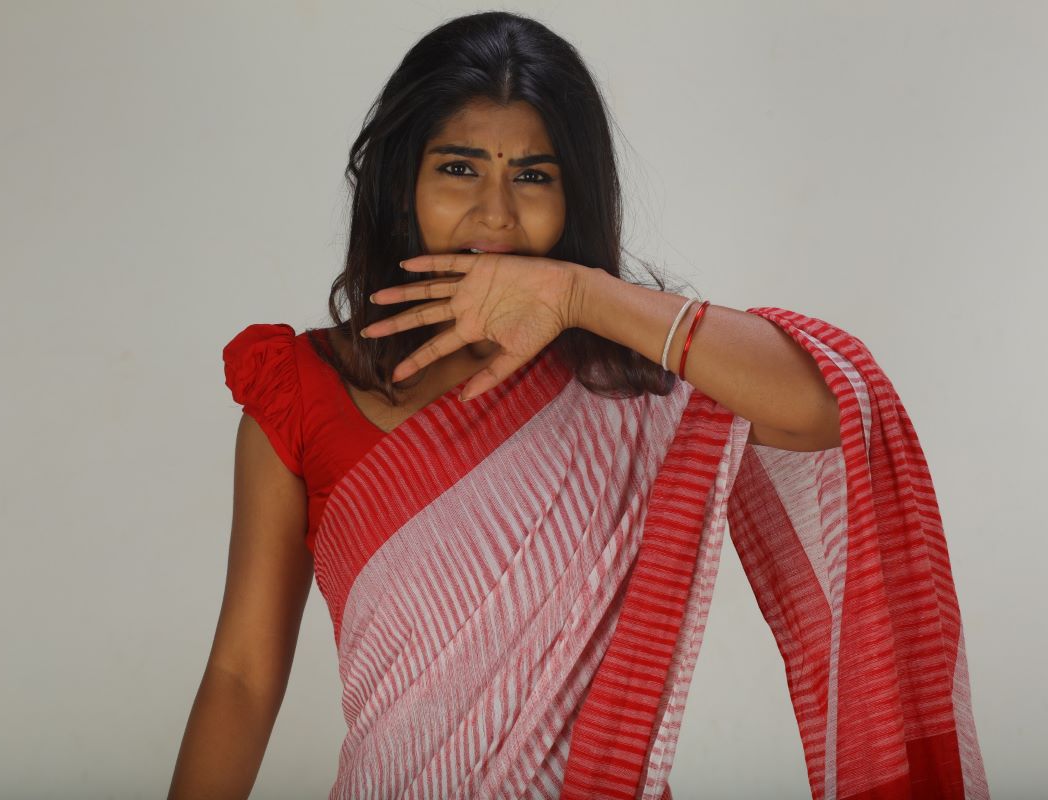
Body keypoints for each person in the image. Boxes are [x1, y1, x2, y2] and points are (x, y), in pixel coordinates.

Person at [169, 11, 989, 800]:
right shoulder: (308, 386)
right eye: (459, 168)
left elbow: (832, 407)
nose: (495, 213)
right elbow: (242, 676)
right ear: (400, 180)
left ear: (577, 195)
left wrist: (581, 296)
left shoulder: (634, 381)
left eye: (534, 176)